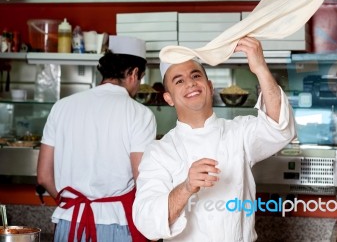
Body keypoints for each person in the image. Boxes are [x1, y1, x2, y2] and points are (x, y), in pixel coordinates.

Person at [133, 37, 296, 241]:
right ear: (169, 98)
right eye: (179, 81)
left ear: (209, 86)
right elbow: (147, 222)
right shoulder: (159, 151)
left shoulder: (239, 132)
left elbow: (280, 128)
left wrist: (260, 68)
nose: (191, 83)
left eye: (195, 75)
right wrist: (186, 187)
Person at [37, 35, 157, 242]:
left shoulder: (62, 106)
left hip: (70, 221)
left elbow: (43, 178)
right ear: (134, 73)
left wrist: (71, 201)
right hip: (117, 224)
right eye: (140, 78)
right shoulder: (140, 113)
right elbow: (143, 180)